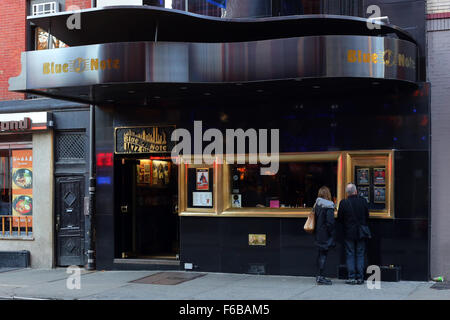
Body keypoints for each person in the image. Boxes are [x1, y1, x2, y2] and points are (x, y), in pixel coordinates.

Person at [337, 183, 370, 285]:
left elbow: (340, 219)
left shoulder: (343, 203)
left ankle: (351, 277)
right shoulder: (363, 201)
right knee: (360, 254)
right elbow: (367, 216)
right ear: (356, 191)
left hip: (348, 232)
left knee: (350, 254)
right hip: (361, 232)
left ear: (347, 193)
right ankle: (360, 278)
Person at [314, 186, 336, 285]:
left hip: (318, 233)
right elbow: (330, 223)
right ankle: (321, 277)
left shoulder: (317, 205)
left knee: (320, 254)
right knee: (323, 255)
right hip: (325, 234)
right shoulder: (329, 206)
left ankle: (318, 276)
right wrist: (332, 233)